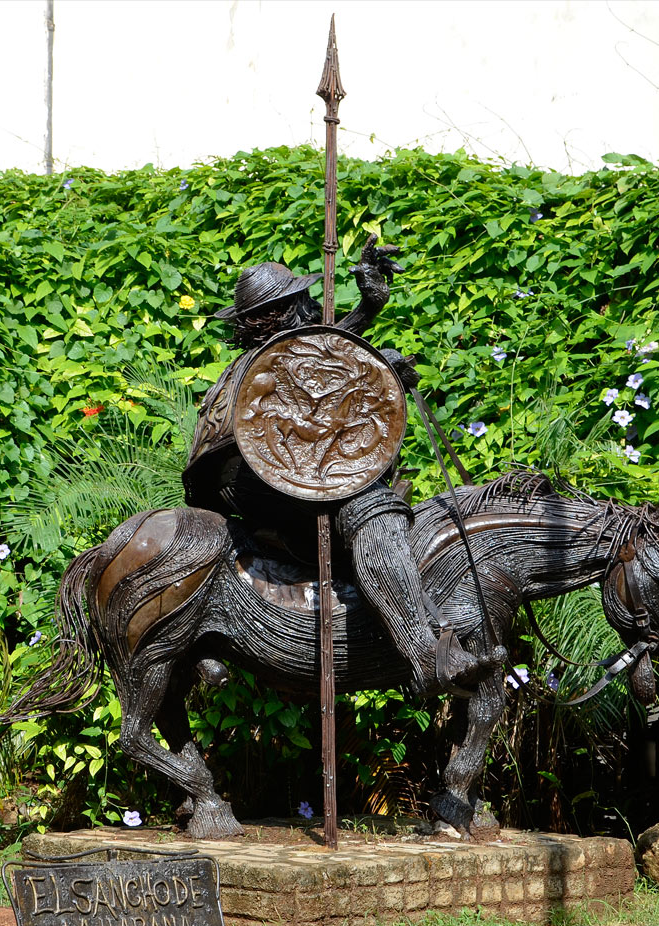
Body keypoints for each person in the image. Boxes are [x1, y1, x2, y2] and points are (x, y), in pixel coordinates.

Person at [183, 235, 501, 695]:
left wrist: (370, 314)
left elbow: (331, 351)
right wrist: (379, 362)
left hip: (247, 484)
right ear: (288, 309)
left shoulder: (254, 362)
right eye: (303, 299)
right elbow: (327, 361)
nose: (312, 305)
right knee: (373, 508)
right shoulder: (277, 361)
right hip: (267, 482)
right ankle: (426, 656)